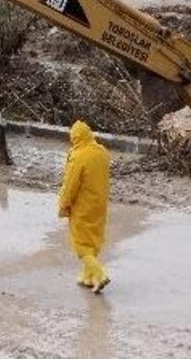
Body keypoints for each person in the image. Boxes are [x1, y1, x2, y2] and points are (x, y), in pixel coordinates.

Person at [58, 120, 111, 293]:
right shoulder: (102, 152)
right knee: (93, 239)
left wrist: (64, 204)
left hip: (82, 205)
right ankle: (88, 277)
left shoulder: (78, 156)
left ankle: (100, 274)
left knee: (81, 243)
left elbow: (70, 184)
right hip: (99, 203)